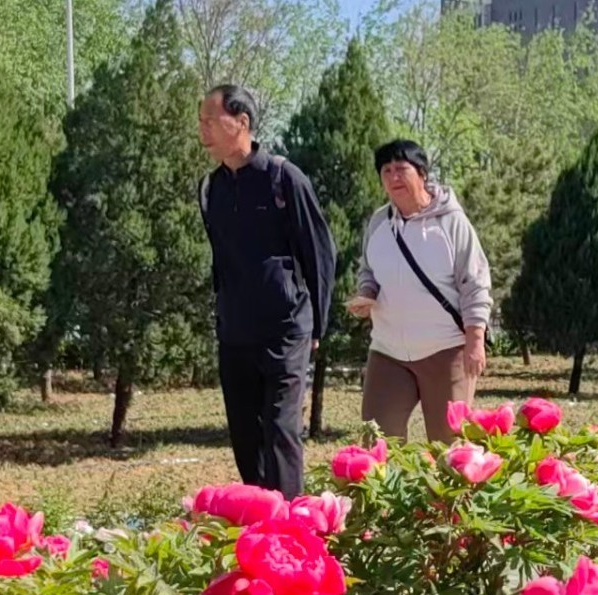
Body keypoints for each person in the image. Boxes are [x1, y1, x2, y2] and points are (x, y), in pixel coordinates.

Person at [198, 84, 335, 499]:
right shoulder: (210, 188)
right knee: (245, 434)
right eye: (200, 120)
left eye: (209, 119)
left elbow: (320, 253)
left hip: (286, 329)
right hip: (236, 331)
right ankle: (260, 523)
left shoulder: (283, 178)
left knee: (280, 430)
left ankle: (294, 529)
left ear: (242, 122)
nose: (202, 128)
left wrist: (317, 328)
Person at [348, 139, 492, 442]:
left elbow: (475, 283)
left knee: (449, 448)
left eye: (401, 169)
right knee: (376, 442)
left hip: (446, 350)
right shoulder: (379, 222)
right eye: (386, 171)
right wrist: (366, 292)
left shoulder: (451, 222)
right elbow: (369, 270)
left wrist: (475, 340)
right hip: (388, 351)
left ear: (423, 174)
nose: (393, 177)